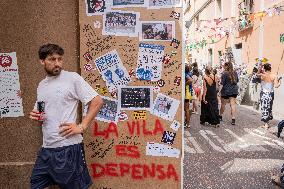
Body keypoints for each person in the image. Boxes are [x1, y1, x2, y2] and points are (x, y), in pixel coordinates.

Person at [29, 44, 104, 189]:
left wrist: (82, 126)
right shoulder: (41, 85)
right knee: (36, 184)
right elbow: (41, 110)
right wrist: (37, 115)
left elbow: (97, 101)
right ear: (42, 61)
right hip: (47, 149)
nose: (57, 63)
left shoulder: (72, 78)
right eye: (52, 59)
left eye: (59, 59)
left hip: (68, 148)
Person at [257, 63, 281, 128]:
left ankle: (266, 124)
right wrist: (279, 82)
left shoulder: (262, 75)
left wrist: (259, 68)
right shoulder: (274, 76)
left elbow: (257, 74)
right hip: (270, 94)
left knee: (264, 108)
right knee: (269, 108)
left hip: (263, 94)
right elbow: (276, 86)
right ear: (270, 69)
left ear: (264, 68)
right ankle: (266, 123)